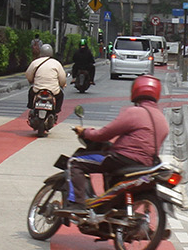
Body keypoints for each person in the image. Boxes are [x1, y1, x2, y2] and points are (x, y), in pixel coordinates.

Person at [67, 75, 167, 208]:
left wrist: (85, 132)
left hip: (122, 159)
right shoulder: (162, 119)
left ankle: (77, 204)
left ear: (136, 90)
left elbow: (104, 134)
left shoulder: (134, 112)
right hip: (146, 164)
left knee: (75, 162)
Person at [25, 43, 67, 114]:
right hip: (53, 91)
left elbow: (28, 75)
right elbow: (62, 79)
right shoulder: (56, 63)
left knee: (31, 92)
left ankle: (31, 107)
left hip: (37, 90)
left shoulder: (35, 63)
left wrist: (31, 80)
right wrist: (62, 84)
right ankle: (56, 111)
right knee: (60, 95)